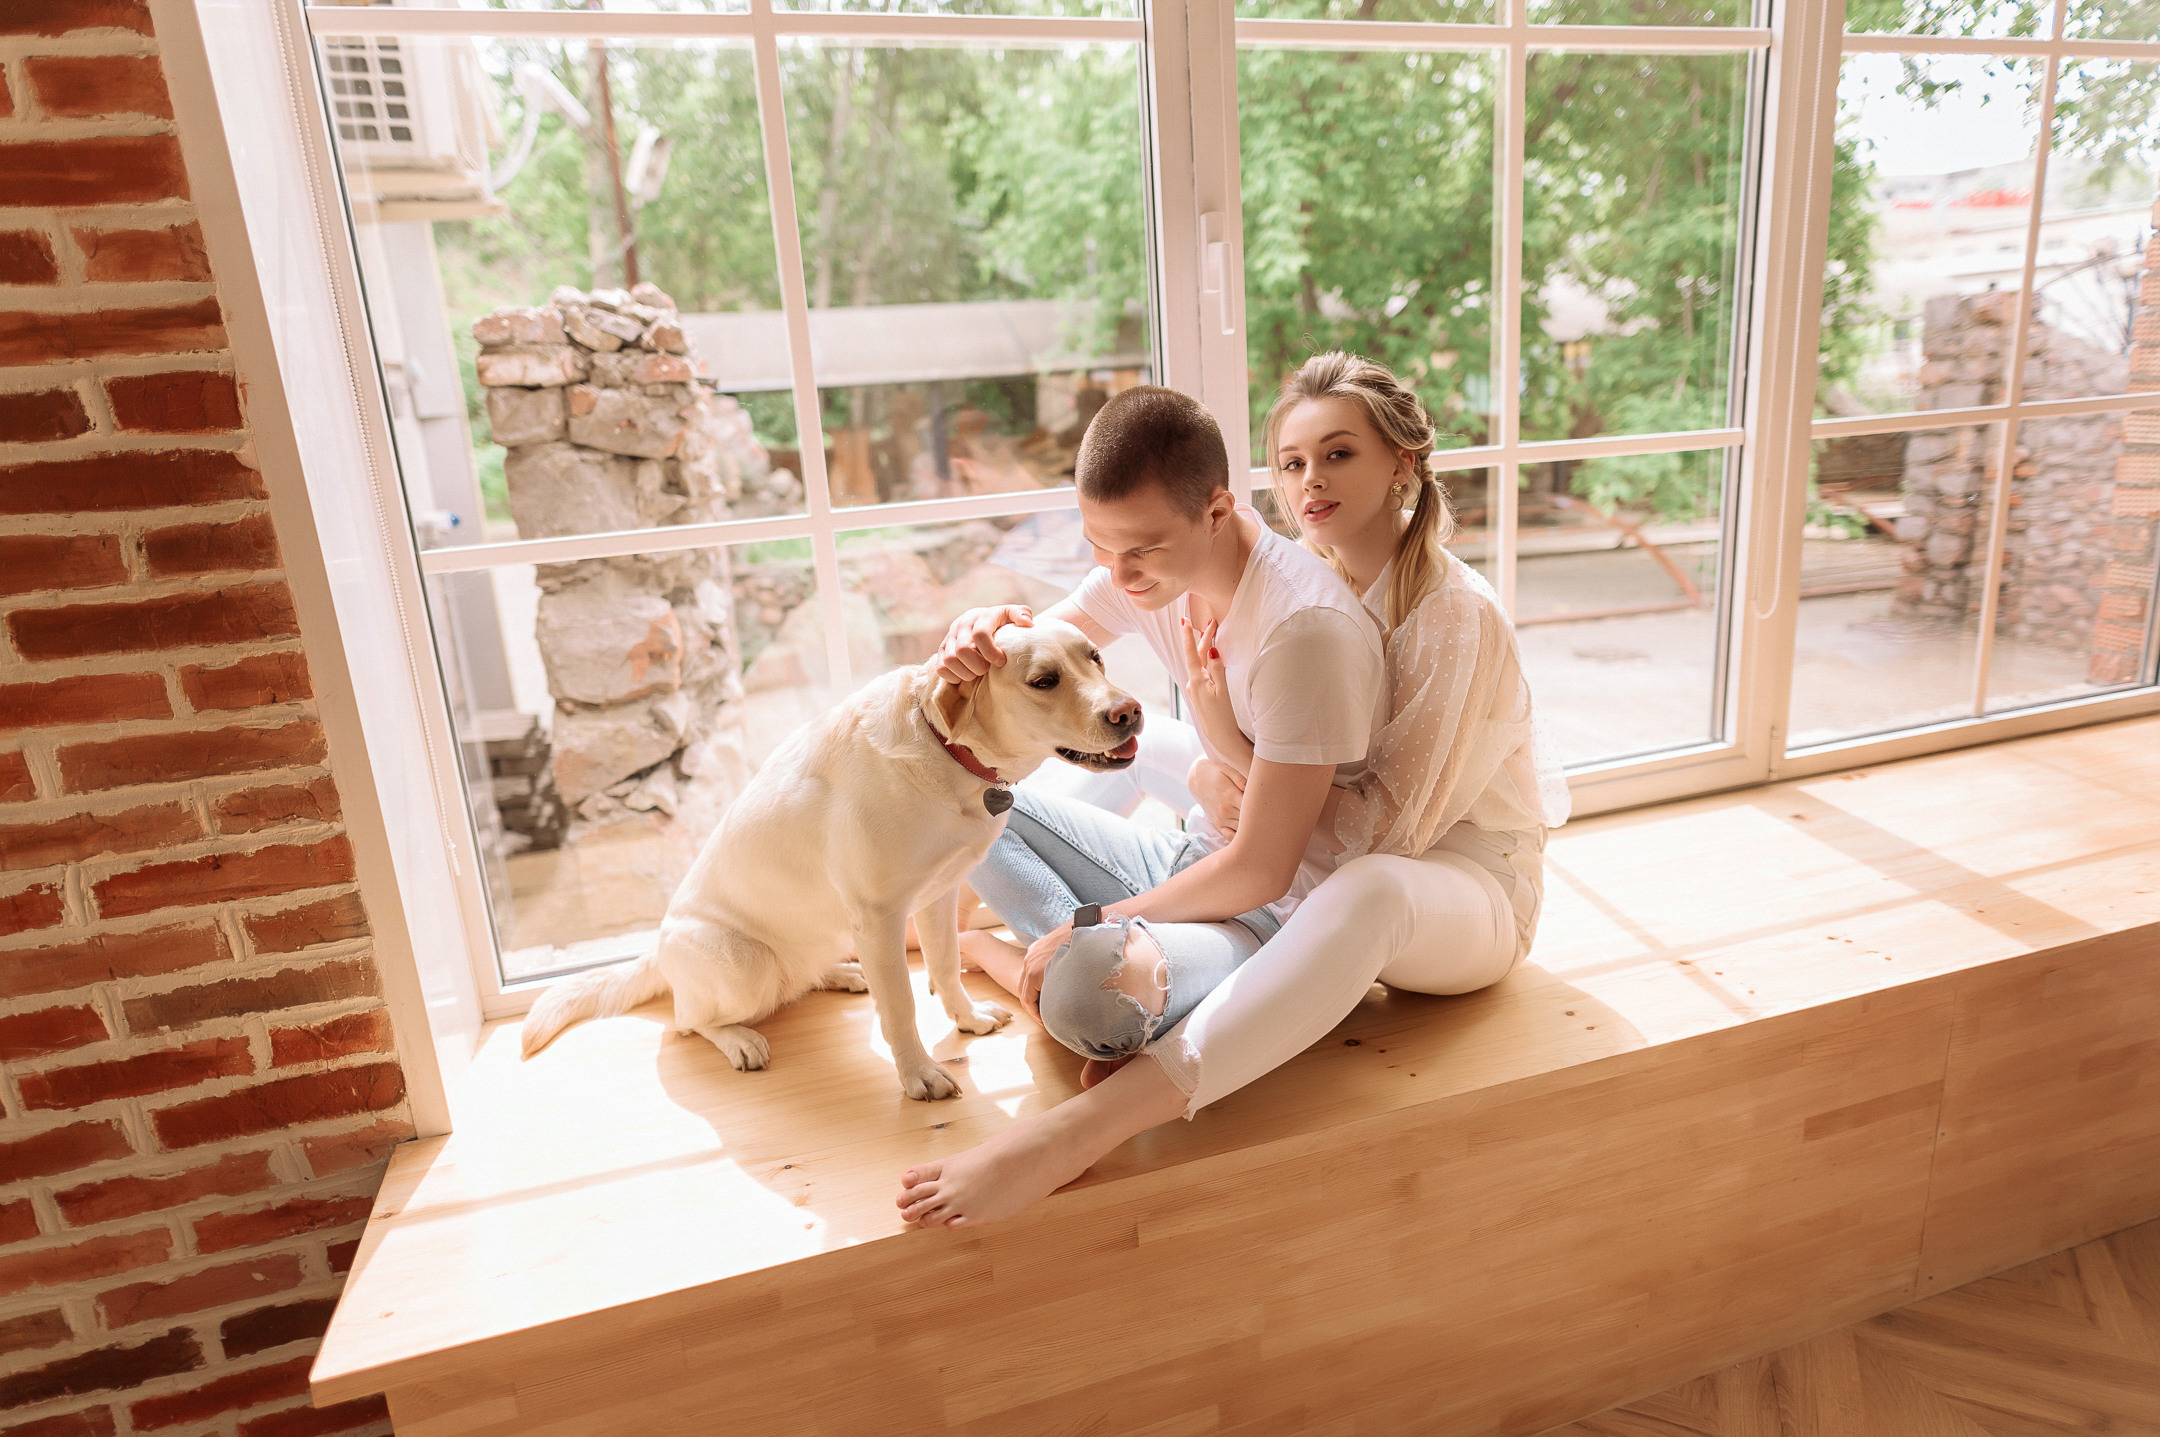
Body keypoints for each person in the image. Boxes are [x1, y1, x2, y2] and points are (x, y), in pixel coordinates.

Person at [895, 353, 1567, 1229]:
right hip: (1283, 867)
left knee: (1359, 890)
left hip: (1450, 886)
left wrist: (1221, 752)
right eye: (1291, 461)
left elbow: (1380, 834)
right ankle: (1056, 964)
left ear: (1402, 462)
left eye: (1338, 454)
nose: (1310, 481)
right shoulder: (1263, 568)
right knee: (993, 804)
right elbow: (1043, 641)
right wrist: (981, 627)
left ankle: (1075, 1129)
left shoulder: (1437, 613)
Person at [934, 383, 1388, 1086]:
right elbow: (1028, 650)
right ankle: (1075, 965)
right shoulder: (1145, 574)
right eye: (1099, 546)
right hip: (1191, 862)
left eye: (1140, 549)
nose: (1117, 574)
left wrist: (1091, 923)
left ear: (1217, 512)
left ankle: (1020, 957)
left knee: (1091, 1000)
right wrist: (982, 625)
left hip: (1278, 918)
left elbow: (1263, 871)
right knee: (958, 799)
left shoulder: (1304, 632)